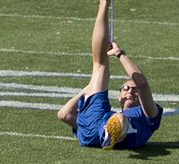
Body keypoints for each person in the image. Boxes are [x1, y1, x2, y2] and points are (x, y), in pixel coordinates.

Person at [55, 0, 162, 150]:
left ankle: (110, 132)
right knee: (100, 68)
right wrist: (91, 85)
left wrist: (119, 54)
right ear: (119, 97)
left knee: (100, 65)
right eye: (125, 88)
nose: (130, 91)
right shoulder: (112, 113)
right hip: (96, 126)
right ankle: (104, 3)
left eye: (133, 89)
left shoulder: (149, 116)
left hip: (94, 131)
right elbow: (64, 114)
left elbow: (142, 84)